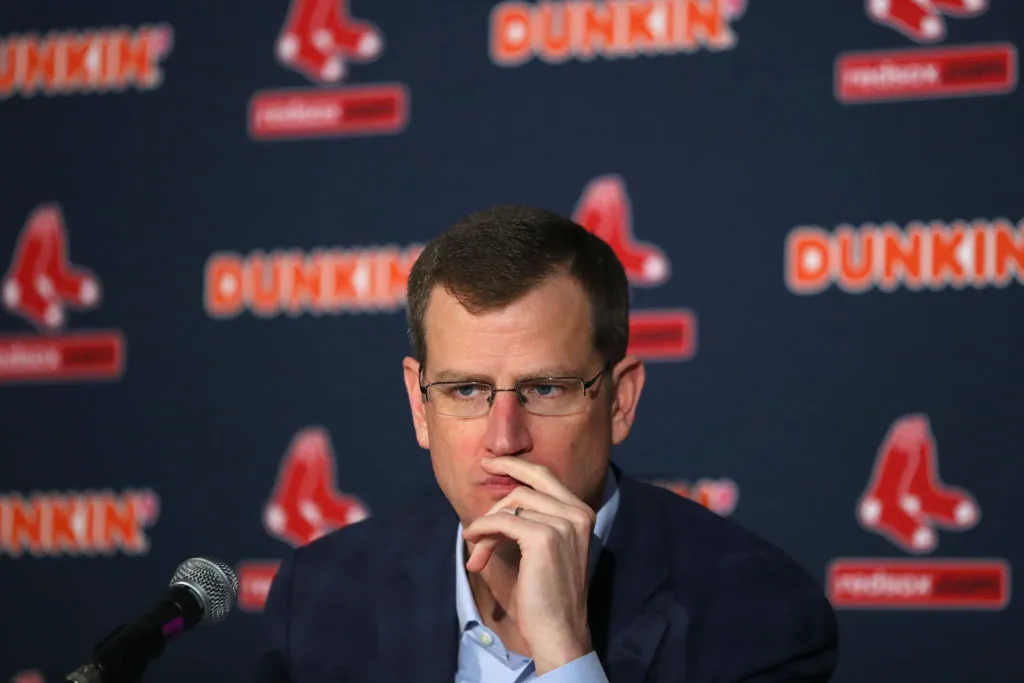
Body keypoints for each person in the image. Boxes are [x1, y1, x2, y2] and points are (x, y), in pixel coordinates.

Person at [256, 205, 839, 683]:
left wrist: (567, 655)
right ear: (419, 404)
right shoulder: (319, 598)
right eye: (465, 389)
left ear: (619, 402)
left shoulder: (758, 613)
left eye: (545, 388)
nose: (504, 438)